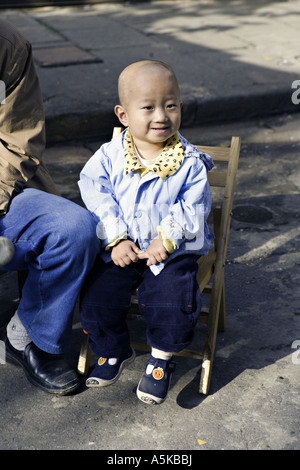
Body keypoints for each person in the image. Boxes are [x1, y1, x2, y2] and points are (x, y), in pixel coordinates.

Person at [78, 60, 214, 405]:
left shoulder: (189, 163)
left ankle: (160, 361)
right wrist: (116, 236)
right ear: (123, 115)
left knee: (169, 298)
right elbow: (95, 191)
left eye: (170, 105)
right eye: (148, 107)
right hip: (123, 245)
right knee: (97, 293)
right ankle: (113, 349)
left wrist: (166, 238)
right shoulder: (109, 155)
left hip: (173, 249)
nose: (161, 116)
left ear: (180, 107)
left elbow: (193, 206)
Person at [0, 20, 99, 395]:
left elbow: (15, 142)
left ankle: (30, 335)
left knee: (74, 230)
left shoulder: (7, 45)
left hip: (2, 190)